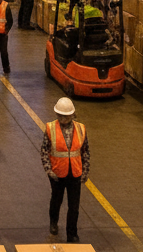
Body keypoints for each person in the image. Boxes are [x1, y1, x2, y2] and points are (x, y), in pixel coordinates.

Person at [42, 97, 90, 244]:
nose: (63, 118)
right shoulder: (50, 128)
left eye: (66, 116)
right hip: (57, 173)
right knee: (56, 201)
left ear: (72, 115)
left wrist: (85, 171)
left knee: (74, 206)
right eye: (60, 115)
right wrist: (49, 170)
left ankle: (72, 233)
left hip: (75, 173)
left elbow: (85, 151)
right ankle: (53, 222)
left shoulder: (81, 129)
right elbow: (44, 150)